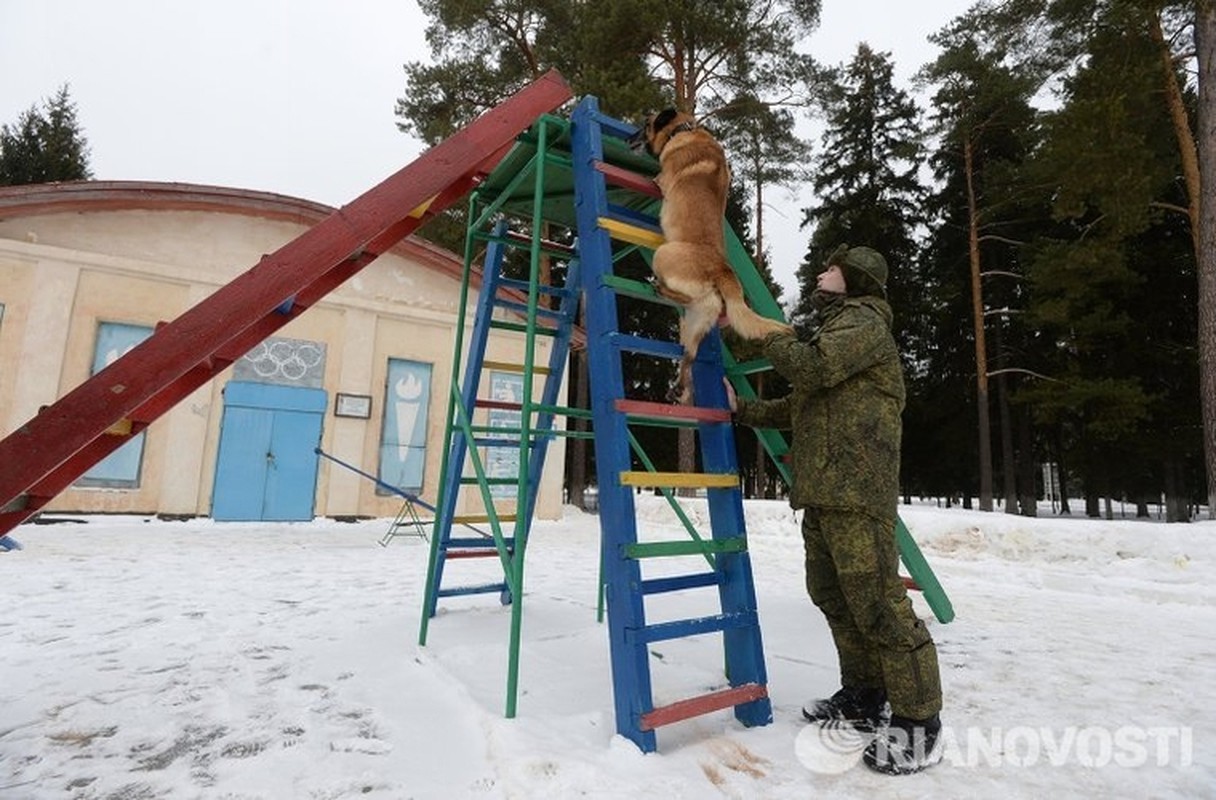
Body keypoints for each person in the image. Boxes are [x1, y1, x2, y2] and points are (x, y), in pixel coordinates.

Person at [724, 244, 943, 775]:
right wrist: (743, 410)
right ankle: (866, 694)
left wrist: (763, 328)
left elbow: (813, 369)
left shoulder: (864, 324)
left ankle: (920, 719)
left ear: (857, 278)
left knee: (877, 603)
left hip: (857, 493)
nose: (822, 272)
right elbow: (802, 404)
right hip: (824, 493)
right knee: (833, 596)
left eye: (832, 268)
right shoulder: (837, 330)